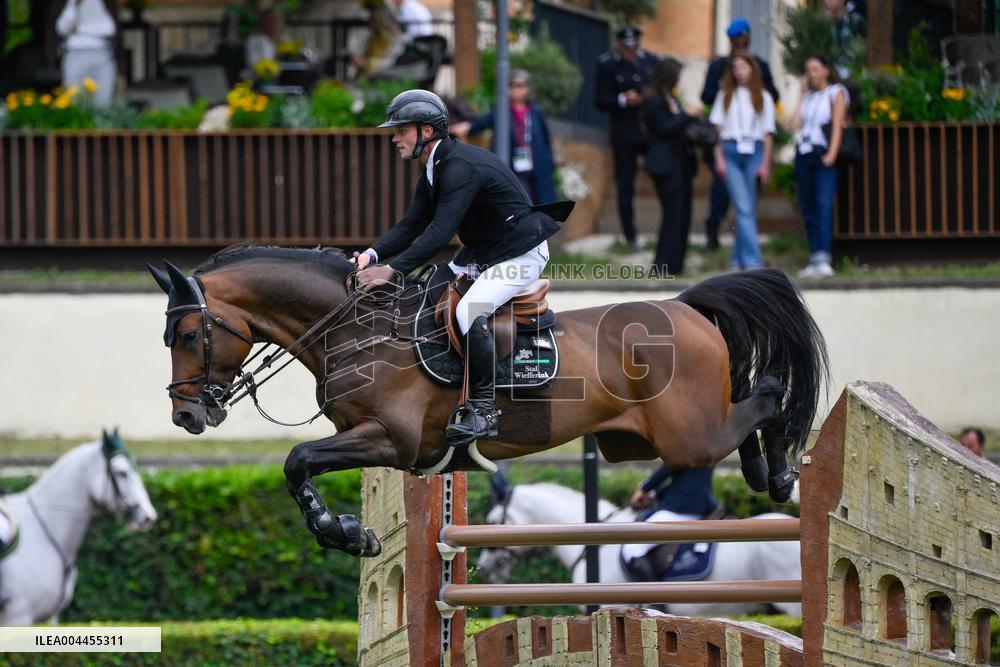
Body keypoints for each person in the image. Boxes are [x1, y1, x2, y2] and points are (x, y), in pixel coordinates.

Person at [353, 90, 561, 444]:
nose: (394, 137)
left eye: (401, 130)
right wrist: (370, 256)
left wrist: (393, 269)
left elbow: (439, 234)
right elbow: (410, 225)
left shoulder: (459, 167)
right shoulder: (434, 168)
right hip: (484, 253)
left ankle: (483, 410)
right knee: (426, 295)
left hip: (519, 253)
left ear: (427, 132)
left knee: (469, 312)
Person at [700, 18, 780, 251]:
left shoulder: (760, 66)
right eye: (737, 41)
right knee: (723, 195)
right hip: (729, 145)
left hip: (753, 146)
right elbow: (706, 96)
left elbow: (773, 97)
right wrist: (727, 91)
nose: (740, 44)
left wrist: (753, 91)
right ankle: (716, 233)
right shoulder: (719, 67)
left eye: (744, 40)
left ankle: (740, 256)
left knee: (747, 205)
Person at [709, 53, 775, 271]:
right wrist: (719, 159)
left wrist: (765, 163)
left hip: (755, 151)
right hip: (731, 151)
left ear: (752, 69)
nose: (740, 72)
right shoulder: (725, 95)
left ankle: (738, 259)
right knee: (743, 207)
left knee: (747, 209)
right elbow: (716, 132)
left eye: (744, 67)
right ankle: (755, 263)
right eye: (736, 68)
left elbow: (767, 134)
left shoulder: (763, 96)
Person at [595, 26, 658, 251]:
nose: (631, 51)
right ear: (619, 45)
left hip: (649, 131)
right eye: (626, 46)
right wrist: (623, 99)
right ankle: (630, 235)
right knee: (625, 185)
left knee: (663, 176)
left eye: (634, 45)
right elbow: (600, 99)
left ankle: (664, 231)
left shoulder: (651, 61)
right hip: (624, 133)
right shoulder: (608, 64)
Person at [452, 69, 557, 205]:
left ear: (528, 88)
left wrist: (550, 162)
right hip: (512, 167)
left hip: (536, 168)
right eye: (512, 85)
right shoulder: (502, 110)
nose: (516, 90)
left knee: (540, 205)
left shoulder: (536, 112)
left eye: (520, 86)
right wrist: (467, 127)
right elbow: (483, 122)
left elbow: (545, 138)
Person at [791, 55, 848, 278]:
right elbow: (794, 124)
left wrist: (832, 153)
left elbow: (837, 124)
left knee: (823, 205)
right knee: (808, 206)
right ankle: (814, 256)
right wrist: (801, 96)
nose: (811, 74)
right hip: (803, 154)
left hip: (822, 153)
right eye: (808, 70)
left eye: (815, 69)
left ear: (826, 70)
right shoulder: (810, 96)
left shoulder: (836, 92)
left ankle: (824, 256)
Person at [641, 57, 698, 276]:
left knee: (682, 213)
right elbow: (664, 129)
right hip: (666, 165)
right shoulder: (654, 100)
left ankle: (676, 264)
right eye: (677, 75)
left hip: (680, 162)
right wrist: (687, 115)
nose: (679, 79)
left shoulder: (670, 98)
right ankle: (663, 265)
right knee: (673, 214)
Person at [622, 465, 720, 581]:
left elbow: (669, 467)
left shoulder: (684, 446)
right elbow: (687, 478)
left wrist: (643, 489)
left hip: (680, 509)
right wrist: (656, 494)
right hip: (701, 505)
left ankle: (656, 596)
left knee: (632, 547)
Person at [55, 0, 119, 106]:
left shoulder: (108, 3)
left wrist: (81, 29)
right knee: (75, 99)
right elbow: (62, 28)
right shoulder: (69, 3)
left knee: (103, 101)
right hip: (75, 54)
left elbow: (110, 29)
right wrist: (76, 5)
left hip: (102, 53)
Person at [825, 0, 866, 80]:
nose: (827, 1)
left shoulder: (855, 20)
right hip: (831, 76)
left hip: (855, 75)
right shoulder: (824, 24)